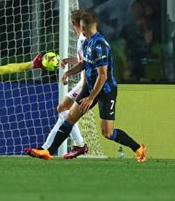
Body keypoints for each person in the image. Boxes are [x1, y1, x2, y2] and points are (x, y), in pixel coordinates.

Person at [27, 12, 147, 162]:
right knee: (70, 117)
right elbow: (84, 63)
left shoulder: (100, 45)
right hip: (90, 88)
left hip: (105, 91)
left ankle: (138, 148)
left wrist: (91, 98)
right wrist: (69, 73)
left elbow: (102, 76)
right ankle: (48, 151)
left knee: (108, 133)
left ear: (82, 27)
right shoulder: (88, 42)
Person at [25, 10, 88, 159]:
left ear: (73, 23)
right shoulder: (83, 38)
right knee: (64, 112)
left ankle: (55, 147)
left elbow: (86, 64)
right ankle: (57, 147)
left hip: (86, 82)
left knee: (63, 110)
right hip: (83, 81)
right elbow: (82, 60)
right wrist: (68, 60)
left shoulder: (83, 40)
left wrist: (68, 73)